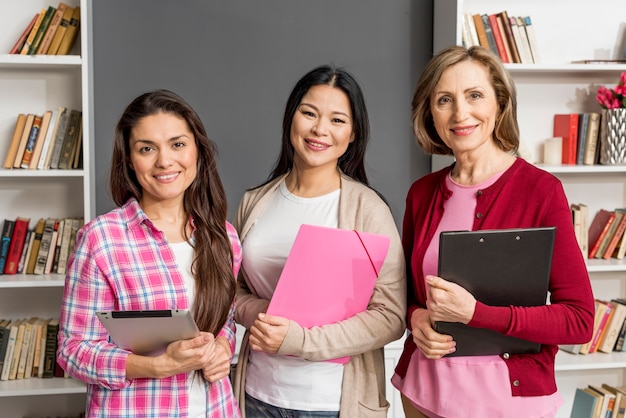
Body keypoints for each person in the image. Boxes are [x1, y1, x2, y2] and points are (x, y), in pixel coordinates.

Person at [390, 45, 595, 418]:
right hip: (422, 394)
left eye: (474, 96)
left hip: (505, 405)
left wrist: (477, 314)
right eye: (444, 100)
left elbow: (578, 320)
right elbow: (403, 294)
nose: (460, 113)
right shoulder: (422, 193)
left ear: (499, 104)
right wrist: (416, 318)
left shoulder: (541, 191)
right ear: (430, 113)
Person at [232, 64, 407, 418]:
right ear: (291, 118)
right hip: (255, 394)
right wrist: (258, 312)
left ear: (354, 132)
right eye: (308, 113)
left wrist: (300, 341)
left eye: (337, 120)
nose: (320, 129)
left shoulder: (368, 210)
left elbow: (390, 316)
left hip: (331, 402)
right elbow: (228, 289)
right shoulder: (255, 201)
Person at [57, 89, 242, 417]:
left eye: (178, 144)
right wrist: (157, 366)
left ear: (197, 150)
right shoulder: (101, 240)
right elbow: (73, 352)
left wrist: (223, 348)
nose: (164, 161)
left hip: (216, 408)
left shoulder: (223, 236)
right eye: (147, 149)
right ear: (129, 159)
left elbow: (224, 320)